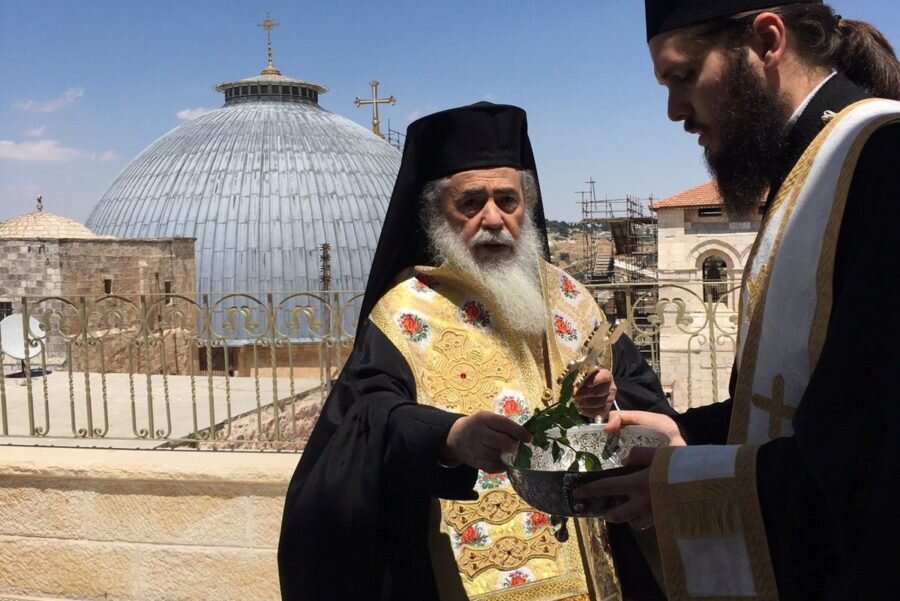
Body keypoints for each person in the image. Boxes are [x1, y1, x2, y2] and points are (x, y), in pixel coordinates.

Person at [277, 102, 677, 601]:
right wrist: (448, 437)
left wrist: (608, 401)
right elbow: (366, 420)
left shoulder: (571, 298)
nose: (494, 219)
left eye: (507, 200)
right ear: (434, 212)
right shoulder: (404, 314)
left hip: (595, 565)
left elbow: (646, 405)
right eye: (471, 203)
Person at [578, 2, 900, 600]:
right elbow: (815, 400)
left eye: (682, 77)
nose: (674, 112)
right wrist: (685, 434)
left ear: (768, 40)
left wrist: (680, 486)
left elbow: (875, 453)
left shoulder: (882, 159)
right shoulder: (813, 169)